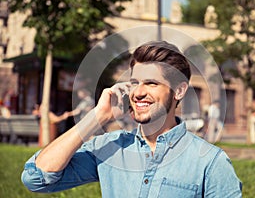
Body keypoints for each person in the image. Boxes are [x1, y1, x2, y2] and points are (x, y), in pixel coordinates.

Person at [21, 41, 242, 197]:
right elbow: (36, 178)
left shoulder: (210, 162)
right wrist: (97, 117)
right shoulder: (110, 148)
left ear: (179, 91)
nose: (138, 92)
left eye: (152, 83)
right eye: (135, 82)